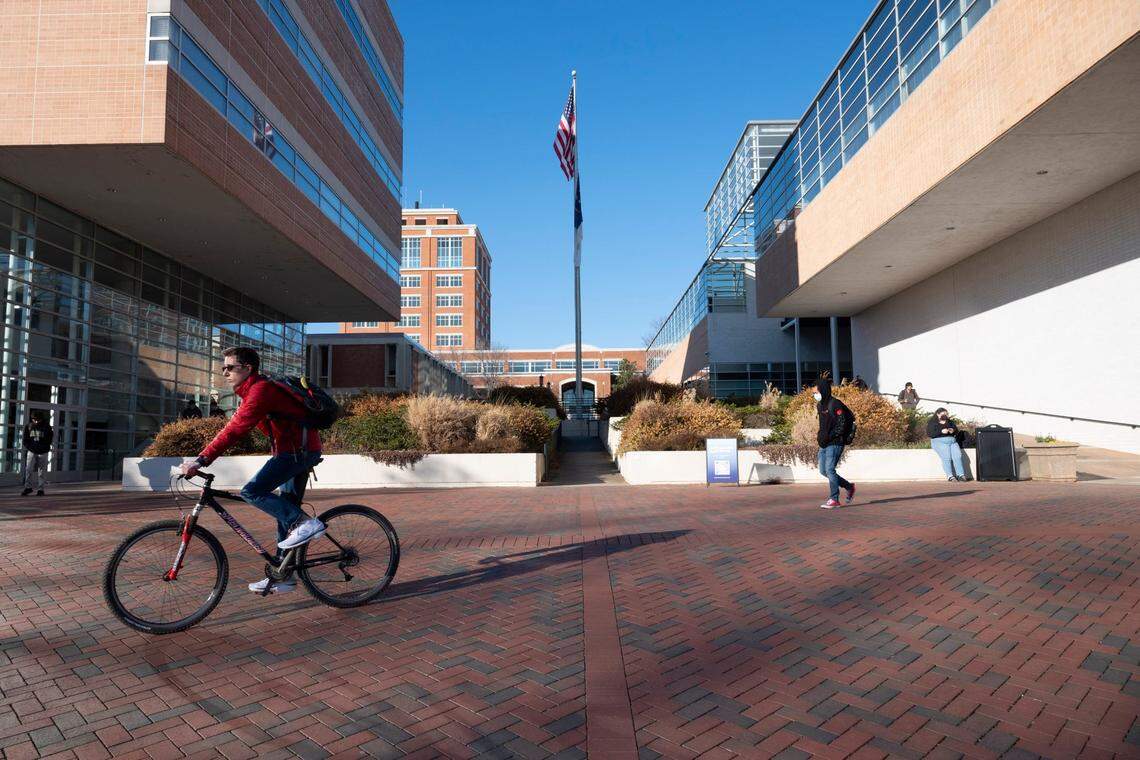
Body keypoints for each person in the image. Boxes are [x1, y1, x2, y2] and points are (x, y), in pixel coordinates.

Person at [180, 347, 326, 594]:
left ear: (247, 368)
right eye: (223, 368)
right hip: (294, 451)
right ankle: (284, 575)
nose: (225, 372)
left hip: (297, 452)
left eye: (230, 367)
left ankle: (306, 523)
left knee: (252, 491)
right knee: (284, 512)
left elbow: (234, 430)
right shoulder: (252, 391)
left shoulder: (260, 391)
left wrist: (201, 460)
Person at [815, 379, 856, 509]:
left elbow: (842, 424)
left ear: (823, 390)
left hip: (835, 442)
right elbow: (823, 424)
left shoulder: (835, 404)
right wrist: (820, 436)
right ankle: (849, 487)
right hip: (824, 443)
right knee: (823, 470)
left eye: (816, 392)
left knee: (830, 469)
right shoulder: (820, 405)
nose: (815, 395)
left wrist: (830, 436)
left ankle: (834, 499)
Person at [927, 408, 970, 481]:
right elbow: (930, 433)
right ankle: (950, 476)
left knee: (958, 456)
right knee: (946, 457)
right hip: (939, 442)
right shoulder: (932, 422)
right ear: (938, 414)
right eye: (943, 414)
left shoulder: (950, 422)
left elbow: (956, 431)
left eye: (947, 414)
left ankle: (961, 475)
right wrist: (941, 431)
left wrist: (952, 430)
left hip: (952, 441)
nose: (946, 415)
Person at [21, 411, 53, 497]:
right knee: (28, 469)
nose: (35, 421)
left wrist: (44, 448)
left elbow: (49, 440)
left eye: (37, 420)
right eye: (34, 419)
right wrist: (30, 448)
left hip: (43, 452)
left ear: (41, 419)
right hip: (32, 451)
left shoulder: (47, 427)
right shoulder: (28, 426)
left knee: (41, 471)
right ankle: (28, 488)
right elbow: (25, 440)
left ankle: (40, 489)